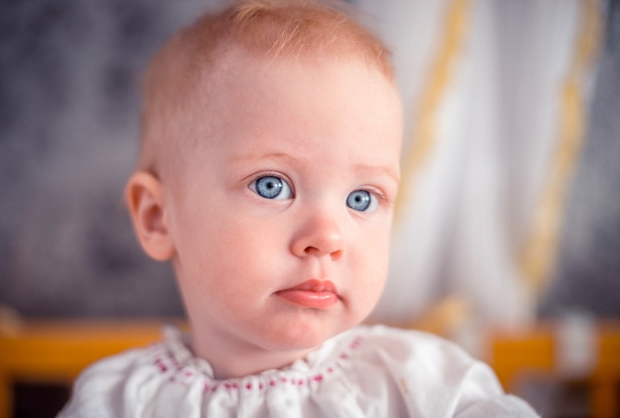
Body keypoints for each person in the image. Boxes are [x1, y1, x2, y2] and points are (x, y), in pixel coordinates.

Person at [59, 0, 538, 416]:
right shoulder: (119, 401)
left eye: (361, 198)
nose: (327, 237)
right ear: (158, 218)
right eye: (272, 186)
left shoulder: (426, 384)